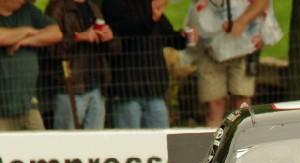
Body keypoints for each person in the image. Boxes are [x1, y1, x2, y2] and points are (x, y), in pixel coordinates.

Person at [101, 0, 190, 128]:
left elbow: (168, 36)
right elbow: (125, 32)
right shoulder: (114, 4)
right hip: (127, 91)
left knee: (160, 142)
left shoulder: (149, 5)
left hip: (154, 90)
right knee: (130, 144)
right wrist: (151, 19)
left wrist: (184, 37)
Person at [191, 0, 269, 127]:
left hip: (243, 47)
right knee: (214, 104)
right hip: (209, 48)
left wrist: (241, 22)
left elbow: (262, 3)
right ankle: (215, 143)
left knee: (241, 102)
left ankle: (243, 140)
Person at [44, 0, 115, 129]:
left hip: (96, 86)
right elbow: (50, 48)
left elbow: (113, 49)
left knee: (94, 144)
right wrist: (79, 37)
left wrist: (109, 39)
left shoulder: (93, 7)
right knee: (67, 143)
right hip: (69, 87)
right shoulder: (57, 7)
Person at [0, 0, 61, 131]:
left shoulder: (28, 9)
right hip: (2, 108)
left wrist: (25, 41)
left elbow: (55, 33)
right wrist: (27, 30)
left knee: (42, 148)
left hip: (28, 103)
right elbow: (2, 37)